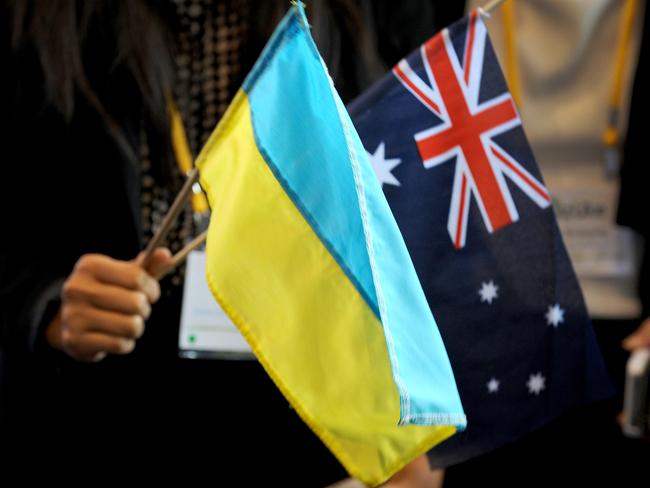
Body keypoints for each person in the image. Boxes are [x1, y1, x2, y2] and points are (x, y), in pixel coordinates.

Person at [0, 0, 384, 483]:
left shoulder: (348, 14)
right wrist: (50, 312)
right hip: (106, 407)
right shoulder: (44, 20)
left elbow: (397, 190)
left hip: (299, 405)